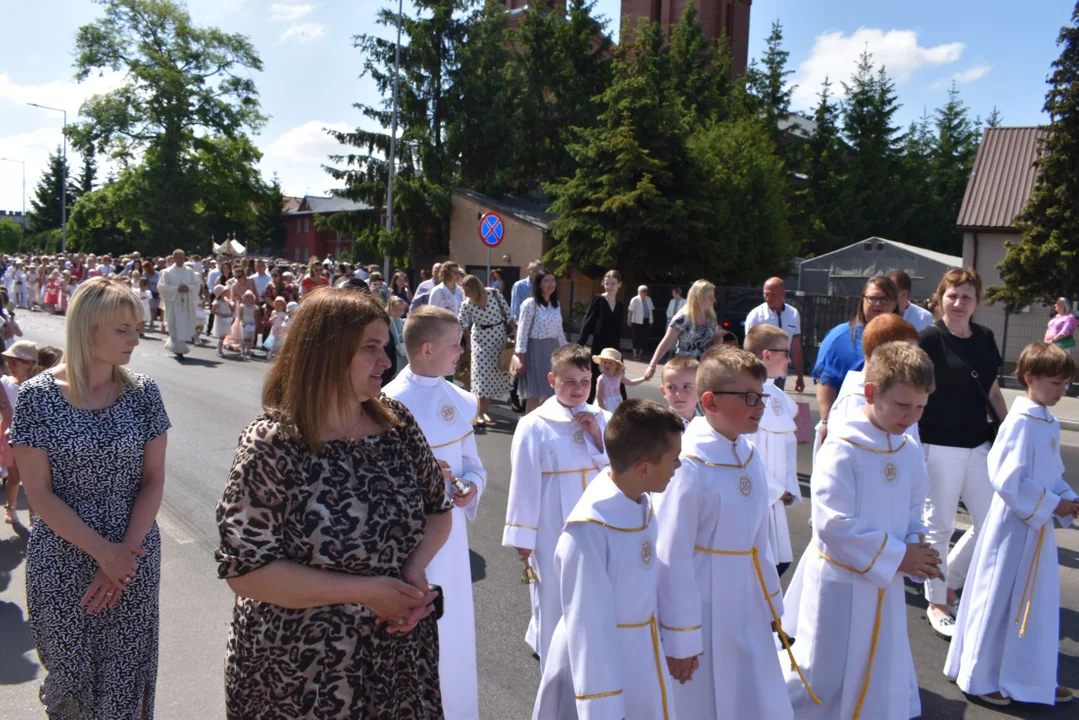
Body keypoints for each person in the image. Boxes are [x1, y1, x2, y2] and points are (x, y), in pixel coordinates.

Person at [215, 288, 451, 718]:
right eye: (371, 349)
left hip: (396, 659)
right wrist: (364, 591)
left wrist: (411, 573)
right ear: (326, 354)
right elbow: (247, 572)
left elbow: (439, 509)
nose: (386, 362)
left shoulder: (397, 425)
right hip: (298, 670)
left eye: (386, 347)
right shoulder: (272, 443)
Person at [11, 277, 170, 718]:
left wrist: (122, 558)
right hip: (63, 559)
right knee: (71, 682)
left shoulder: (144, 393)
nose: (136, 339)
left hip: (134, 556)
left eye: (137, 327)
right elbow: (39, 494)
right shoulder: (36, 397)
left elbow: (153, 481)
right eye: (123, 329)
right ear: (87, 327)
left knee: (125, 677)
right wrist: (104, 553)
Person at [781, 342, 941, 720]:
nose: (912, 416)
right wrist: (901, 555)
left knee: (878, 662)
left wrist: (918, 546)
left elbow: (914, 509)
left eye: (920, 408)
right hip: (842, 582)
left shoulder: (907, 449)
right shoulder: (842, 447)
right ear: (871, 392)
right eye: (903, 405)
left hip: (885, 580)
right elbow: (833, 524)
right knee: (828, 668)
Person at [655, 346, 802, 719]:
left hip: (747, 604)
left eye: (762, 395)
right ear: (711, 401)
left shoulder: (748, 453)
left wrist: (771, 602)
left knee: (752, 696)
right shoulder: (687, 465)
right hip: (703, 608)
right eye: (749, 397)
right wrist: (681, 637)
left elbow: (758, 541)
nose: (760, 405)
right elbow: (670, 556)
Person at [944, 342, 1078, 707]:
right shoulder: (1019, 422)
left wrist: (1069, 499)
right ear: (1030, 378)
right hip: (1012, 529)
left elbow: (1053, 474)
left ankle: (1029, 678)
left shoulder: (1047, 420)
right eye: (1055, 383)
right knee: (999, 601)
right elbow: (1005, 479)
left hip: (1036, 529)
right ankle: (979, 675)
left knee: (1036, 605)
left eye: (1066, 384)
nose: (1062, 390)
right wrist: (1053, 502)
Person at [532, 399, 683, 720]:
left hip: (639, 651)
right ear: (643, 468)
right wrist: (603, 707)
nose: (679, 466)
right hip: (596, 672)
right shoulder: (588, 531)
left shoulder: (639, 500)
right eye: (674, 459)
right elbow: (589, 628)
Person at [384, 306, 487, 720]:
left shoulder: (460, 400)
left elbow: (474, 465)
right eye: (454, 344)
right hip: (411, 541)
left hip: (454, 538)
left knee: (454, 629)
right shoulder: (387, 403)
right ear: (426, 349)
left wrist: (471, 488)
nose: (461, 351)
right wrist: (423, 477)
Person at [503, 344, 611, 671]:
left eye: (584, 381)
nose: (578, 389)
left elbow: (617, 470)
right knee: (552, 590)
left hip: (597, 520)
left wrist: (597, 439)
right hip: (552, 521)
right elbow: (523, 480)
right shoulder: (534, 424)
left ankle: (590, 655)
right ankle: (554, 663)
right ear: (551, 379)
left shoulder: (603, 419)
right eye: (568, 381)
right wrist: (523, 534)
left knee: (595, 587)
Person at [918, 268, 1007, 637]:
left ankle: (950, 578)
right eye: (952, 296)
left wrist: (1007, 430)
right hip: (938, 443)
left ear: (976, 302)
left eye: (966, 297)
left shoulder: (984, 337)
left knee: (992, 523)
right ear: (940, 298)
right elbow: (916, 390)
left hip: (978, 443)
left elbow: (992, 389)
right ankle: (937, 601)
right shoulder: (929, 339)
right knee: (939, 525)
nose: (958, 303)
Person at [812, 314, 922, 463]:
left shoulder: (899, 394)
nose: (913, 359)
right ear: (881, 353)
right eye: (907, 352)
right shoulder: (854, 401)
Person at [812, 275, 900, 446]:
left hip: (889, 427)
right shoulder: (839, 337)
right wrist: (825, 421)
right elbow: (826, 382)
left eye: (885, 299)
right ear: (862, 300)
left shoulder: (902, 337)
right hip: (846, 425)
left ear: (895, 303)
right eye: (873, 298)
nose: (878, 304)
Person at [744, 324, 801, 577]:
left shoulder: (780, 397)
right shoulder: (746, 395)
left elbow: (788, 452)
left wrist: (789, 489)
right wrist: (777, 490)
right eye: (785, 353)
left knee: (777, 565)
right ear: (766, 355)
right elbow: (745, 451)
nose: (789, 359)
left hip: (777, 498)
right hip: (757, 496)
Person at [458, 275, 514, 425]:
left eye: (469, 291)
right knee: (480, 378)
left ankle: (482, 412)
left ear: (476, 288)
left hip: (498, 339)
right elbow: (460, 324)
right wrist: (456, 344)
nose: (467, 295)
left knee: (494, 377)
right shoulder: (467, 304)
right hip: (480, 340)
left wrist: (514, 330)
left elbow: (508, 314)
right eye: (465, 292)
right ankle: (478, 414)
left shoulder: (493, 294)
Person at [643, 279, 720, 380]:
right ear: (699, 298)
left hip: (704, 370)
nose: (713, 300)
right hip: (685, 370)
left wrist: (719, 337)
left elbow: (715, 344)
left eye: (713, 297)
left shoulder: (711, 318)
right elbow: (667, 341)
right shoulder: (683, 317)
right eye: (710, 297)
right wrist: (652, 365)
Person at [514, 270, 567, 413]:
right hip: (535, 351)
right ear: (539, 284)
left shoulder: (556, 304)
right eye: (547, 281)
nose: (551, 284)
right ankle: (530, 428)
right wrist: (521, 360)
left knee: (551, 394)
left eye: (553, 281)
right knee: (534, 395)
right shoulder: (530, 304)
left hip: (553, 351)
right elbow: (522, 333)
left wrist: (568, 352)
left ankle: (544, 426)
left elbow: (559, 332)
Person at [2, 340, 41, 526]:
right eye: (8, 361)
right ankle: (11, 508)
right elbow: (5, 409)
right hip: (9, 433)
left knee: (34, 478)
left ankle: (35, 514)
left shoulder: (38, 387)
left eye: (15, 362)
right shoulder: (4, 383)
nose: (11, 366)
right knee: (14, 476)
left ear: (30, 364)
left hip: (32, 436)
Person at [745, 277, 806, 392]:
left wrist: (800, 376)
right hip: (761, 374)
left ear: (783, 294)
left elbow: (795, 346)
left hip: (781, 373)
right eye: (765, 295)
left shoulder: (793, 314)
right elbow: (749, 349)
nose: (768, 298)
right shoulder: (755, 316)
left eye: (772, 295)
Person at [576, 269, 626, 404]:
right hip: (600, 346)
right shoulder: (598, 300)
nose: (609, 287)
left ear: (619, 285)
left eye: (613, 283)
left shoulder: (620, 306)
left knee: (618, 379)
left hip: (615, 348)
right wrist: (580, 343)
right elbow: (588, 322)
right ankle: (587, 407)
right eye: (607, 283)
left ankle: (620, 410)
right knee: (596, 379)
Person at [156, 249, 201, 358]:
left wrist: (188, 288)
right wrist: (177, 289)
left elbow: (197, 284)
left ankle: (178, 347)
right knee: (174, 326)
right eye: (179, 257)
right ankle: (178, 348)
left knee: (183, 325)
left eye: (183, 257)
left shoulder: (189, 271)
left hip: (185, 303)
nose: (182, 259)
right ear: (174, 258)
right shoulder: (168, 272)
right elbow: (162, 288)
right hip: (174, 303)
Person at [592, 348, 645, 413]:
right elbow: (599, 396)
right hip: (606, 404)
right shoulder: (602, 379)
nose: (607, 365)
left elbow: (631, 382)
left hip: (617, 402)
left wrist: (643, 378)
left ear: (616, 365)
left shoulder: (618, 376)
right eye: (605, 362)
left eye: (610, 363)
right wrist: (603, 410)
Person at [660, 355, 699, 428]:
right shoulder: (660, 428)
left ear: (700, 390)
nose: (678, 394)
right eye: (671, 387)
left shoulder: (709, 425)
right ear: (663, 391)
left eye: (686, 387)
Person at [627, 285, 654, 360]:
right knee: (636, 338)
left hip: (646, 321)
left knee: (644, 338)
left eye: (646, 291)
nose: (645, 292)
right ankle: (634, 355)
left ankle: (640, 355)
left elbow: (650, 311)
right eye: (644, 291)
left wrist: (651, 321)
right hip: (636, 321)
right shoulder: (635, 299)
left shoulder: (648, 299)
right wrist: (628, 320)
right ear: (639, 292)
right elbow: (630, 311)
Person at [211, 286, 234, 357]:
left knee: (224, 335)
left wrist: (231, 313)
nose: (226, 292)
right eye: (224, 291)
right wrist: (221, 314)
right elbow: (213, 311)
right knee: (221, 336)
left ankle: (219, 348)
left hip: (226, 319)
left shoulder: (226, 300)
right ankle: (219, 350)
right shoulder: (217, 302)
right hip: (220, 319)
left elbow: (231, 308)